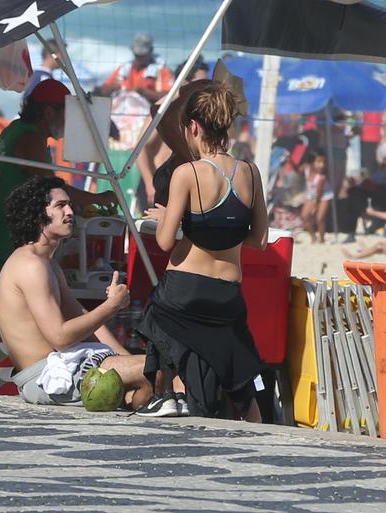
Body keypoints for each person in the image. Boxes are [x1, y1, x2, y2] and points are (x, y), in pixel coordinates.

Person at [136, 82, 268, 421]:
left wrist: (172, 219)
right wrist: (223, 227)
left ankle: (169, 396)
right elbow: (259, 240)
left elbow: (165, 243)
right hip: (227, 294)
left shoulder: (188, 173)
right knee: (237, 373)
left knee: (158, 320)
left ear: (193, 127)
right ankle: (258, 431)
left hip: (185, 292)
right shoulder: (250, 174)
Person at [0, 79, 116, 317]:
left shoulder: (14, 129)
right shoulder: (30, 138)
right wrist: (97, 198)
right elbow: (52, 188)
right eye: (66, 114)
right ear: (50, 112)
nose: (68, 123)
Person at [0, 176, 152, 409]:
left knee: (157, 372)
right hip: (47, 378)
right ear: (38, 215)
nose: (71, 212)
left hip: (67, 367)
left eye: (70, 205)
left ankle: (134, 404)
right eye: (60, 206)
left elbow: (80, 316)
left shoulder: (48, 264)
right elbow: (59, 337)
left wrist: (123, 357)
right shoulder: (31, 266)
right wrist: (111, 307)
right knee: (155, 372)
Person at [136, 55, 209, 209]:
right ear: (184, 82)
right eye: (200, 83)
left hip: (183, 184)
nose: (204, 88)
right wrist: (150, 184)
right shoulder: (165, 107)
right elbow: (140, 149)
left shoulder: (198, 111)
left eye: (206, 82)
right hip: (159, 185)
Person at [336, 141, 386, 243]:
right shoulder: (385, 172)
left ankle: (378, 225)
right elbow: (367, 184)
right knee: (354, 191)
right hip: (379, 201)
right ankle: (350, 232)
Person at [99, 33, 174, 104]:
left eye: (142, 55)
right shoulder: (124, 69)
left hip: (149, 113)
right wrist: (111, 88)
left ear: (151, 50)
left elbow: (171, 97)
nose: (139, 58)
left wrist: (145, 93)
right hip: (120, 111)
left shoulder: (163, 70)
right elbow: (103, 90)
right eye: (137, 55)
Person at [300, 149, 334, 244]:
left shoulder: (321, 177)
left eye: (324, 162)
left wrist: (315, 207)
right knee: (304, 216)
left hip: (324, 196)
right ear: (311, 162)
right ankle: (313, 237)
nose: (322, 165)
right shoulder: (306, 168)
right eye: (318, 162)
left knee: (319, 218)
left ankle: (322, 239)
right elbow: (297, 170)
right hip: (311, 194)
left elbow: (319, 195)